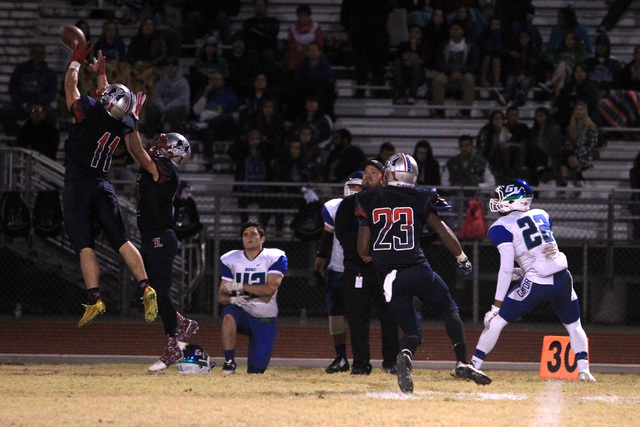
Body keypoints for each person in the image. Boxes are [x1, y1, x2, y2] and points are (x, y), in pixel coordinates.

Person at [355, 153, 490, 393]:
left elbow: (362, 248)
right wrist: (461, 257)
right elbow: (442, 229)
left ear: (389, 173)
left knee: (413, 331)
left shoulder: (367, 198)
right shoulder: (421, 196)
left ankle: (405, 354)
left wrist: (377, 256)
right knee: (449, 309)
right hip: (418, 269)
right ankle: (462, 361)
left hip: (388, 277)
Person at [63, 41, 158, 327]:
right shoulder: (123, 122)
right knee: (122, 240)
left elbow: (70, 88)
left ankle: (95, 299)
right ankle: (145, 286)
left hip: (78, 186)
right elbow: (134, 143)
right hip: (103, 186)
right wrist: (154, 170)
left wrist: (75, 62)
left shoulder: (89, 109)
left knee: (85, 246)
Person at [471, 178, 596, 382]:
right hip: (562, 278)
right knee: (574, 325)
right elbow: (540, 253)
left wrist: (496, 305)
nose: (497, 201)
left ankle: (474, 364)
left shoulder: (500, 227)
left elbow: (505, 268)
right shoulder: (542, 214)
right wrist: (522, 271)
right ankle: (584, 370)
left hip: (537, 282)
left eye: (502, 197)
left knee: (497, 320)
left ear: (514, 201)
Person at [126, 132, 200, 371]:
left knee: (157, 290)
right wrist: (127, 126)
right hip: (150, 235)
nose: (158, 145)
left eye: (164, 143)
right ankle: (180, 323)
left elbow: (137, 151)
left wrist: (131, 122)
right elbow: (133, 149)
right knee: (147, 291)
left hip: (160, 235)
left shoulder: (165, 167)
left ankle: (174, 338)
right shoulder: (157, 165)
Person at [334, 160, 400, 375]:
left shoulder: (392, 201)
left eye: (374, 172)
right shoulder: (348, 204)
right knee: (357, 319)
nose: (368, 176)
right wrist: (364, 255)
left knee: (390, 317)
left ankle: (391, 361)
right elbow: (343, 234)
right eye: (366, 173)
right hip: (357, 269)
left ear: (383, 177)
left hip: (384, 269)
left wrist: (377, 255)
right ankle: (361, 363)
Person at [217, 221, 288, 374]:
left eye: (253, 234)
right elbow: (221, 295)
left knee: (256, 370)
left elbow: (269, 289)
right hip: (243, 314)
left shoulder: (275, 256)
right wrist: (232, 300)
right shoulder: (230, 259)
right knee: (228, 313)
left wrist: (239, 286)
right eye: (245, 235)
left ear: (263, 238)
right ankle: (229, 362)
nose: (249, 237)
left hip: (265, 318)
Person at [312, 171, 363, 373]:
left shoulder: (371, 206)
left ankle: (363, 358)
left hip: (361, 269)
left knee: (360, 316)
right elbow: (325, 242)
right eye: (352, 186)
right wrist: (318, 268)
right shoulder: (334, 208)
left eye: (359, 187)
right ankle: (341, 357)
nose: (354, 191)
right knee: (335, 314)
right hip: (337, 268)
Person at [340, 0, 395, 98]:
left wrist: (348, 28)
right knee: (364, 64)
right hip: (367, 32)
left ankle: (374, 90)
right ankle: (366, 90)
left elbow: (390, 6)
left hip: (372, 32)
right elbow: (345, 12)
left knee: (375, 64)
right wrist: (349, 28)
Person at [0, 44, 58, 136]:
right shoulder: (20, 69)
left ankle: (40, 137)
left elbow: (52, 92)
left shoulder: (50, 73)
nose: (37, 55)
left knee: (52, 116)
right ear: (31, 54)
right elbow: (13, 88)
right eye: (35, 52)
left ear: (44, 55)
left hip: (40, 106)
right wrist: (20, 103)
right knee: (4, 112)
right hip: (22, 105)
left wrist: (39, 104)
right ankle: (19, 135)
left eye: (40, 53)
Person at [430, 20, 479, 118]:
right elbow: (438, 62)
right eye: (452, 29)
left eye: (457, 29)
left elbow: (474, 64)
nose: (454, 31)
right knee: (438, 79)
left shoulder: (471, 46)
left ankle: (466, 110)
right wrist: (451, 72)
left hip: (463, 74)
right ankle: (439, 109)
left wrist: (460, 72)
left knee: (469, 78)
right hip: (447, 74)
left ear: (462, 31)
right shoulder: (444, 45)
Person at [142, 57, 190, 139]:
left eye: (172, 67)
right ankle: (149, 137)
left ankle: (180, 139)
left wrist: (168, 107)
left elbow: (182, 100)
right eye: (168, 67)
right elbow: (156, 96)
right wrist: (161, 106)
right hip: (163, 107)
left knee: (172, 112)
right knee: (151, 110)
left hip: (179, 109)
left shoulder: (183, 83)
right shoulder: (161, 82)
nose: (170, 69)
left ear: (177, 68)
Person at [558, 100, 598, 195]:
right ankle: (578, 177)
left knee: (566, 160)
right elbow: (567, 142)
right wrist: (572, 152)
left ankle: (564, 187)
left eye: (581, 109)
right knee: (566, 158)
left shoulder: (592, 127)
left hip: (584, 155)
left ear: (585, 111)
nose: (578, 112)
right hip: (571, 153)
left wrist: (575, 154)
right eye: (576, 109)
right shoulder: (571, 126)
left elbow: (590, 146)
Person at [281, 4, 326, 72]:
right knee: (291, 59)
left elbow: (319, 42)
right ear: (298, 17)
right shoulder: (292, 29)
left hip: (313, 52)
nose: (303, 18)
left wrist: (310, 49)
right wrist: (301, 49)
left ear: (309, 16)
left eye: (305, 16)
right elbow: (291, 44)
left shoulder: (316, 27)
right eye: (301, 16)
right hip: (298, 53)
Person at [391, 24, 428, 105]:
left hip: (417, 74)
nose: (413, 34)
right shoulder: (402, 45)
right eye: (411, 32)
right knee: (396, 69)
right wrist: (405, 63)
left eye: (416, 32)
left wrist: (414, 48)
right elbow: (397, 60)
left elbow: (418, 62)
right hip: (403, 72)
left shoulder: (423, 47)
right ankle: (401, 95)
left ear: (420, 34)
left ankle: (412, 96)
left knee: (415, 67)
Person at [242, 0, 280, 73]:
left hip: (268, 50)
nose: (259, 8)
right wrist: (263, 32)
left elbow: (273, 34)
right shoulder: (248, 22)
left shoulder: (273, 21)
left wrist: (254, 30)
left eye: (261, 6)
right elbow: (246, 36)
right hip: (252, 50)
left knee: (268, 55)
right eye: (256, 5)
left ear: (266, 7)